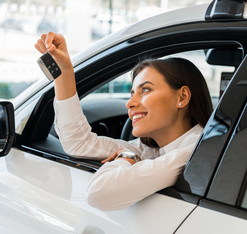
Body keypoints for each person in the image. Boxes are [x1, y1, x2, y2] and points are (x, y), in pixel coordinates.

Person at [34, 32, 213, 210]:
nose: (130, 103)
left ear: (182, 97)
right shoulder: (149, 149)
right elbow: (79, 143)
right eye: (132, 93)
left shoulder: (195, 151)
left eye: (146, 90)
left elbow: (99, 194)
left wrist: (125, 158)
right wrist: (64, 73)